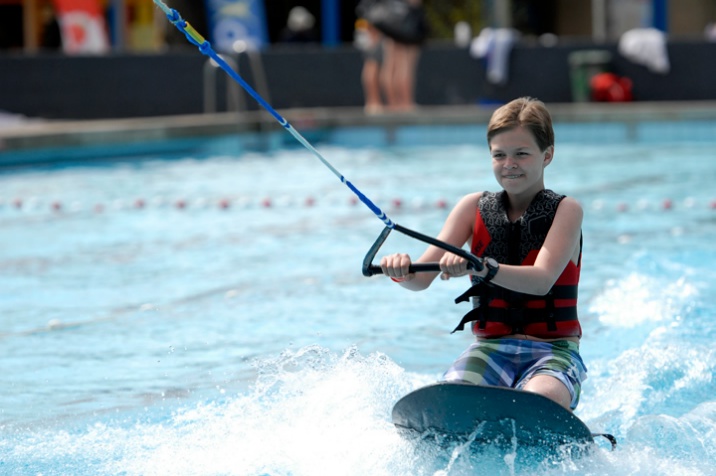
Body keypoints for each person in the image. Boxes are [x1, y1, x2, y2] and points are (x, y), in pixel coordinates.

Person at [380, 97, 587, 410]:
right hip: (491, 348)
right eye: (499, 155)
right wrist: (401, 271)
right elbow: (420, 280)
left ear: (547, 156)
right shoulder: (471, 208)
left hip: (553, 350)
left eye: (521, 154)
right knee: (452, 397)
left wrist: (481, 267)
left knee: (539, 399)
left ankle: (558, 408)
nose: (509, 164)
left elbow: (541, 281)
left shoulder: (566, 211)